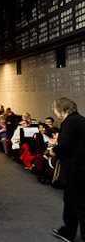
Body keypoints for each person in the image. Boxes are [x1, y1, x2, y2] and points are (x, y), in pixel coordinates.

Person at [49, 97, 85, 242]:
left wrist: (54, 151)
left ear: (62, 110)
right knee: (70, 199)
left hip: (76, 168)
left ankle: (76, 233)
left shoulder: (68, 122)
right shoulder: (82, 120)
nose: (55, 113)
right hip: (81, 166)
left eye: (55, 110)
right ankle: (68, 231)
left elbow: (66, 145)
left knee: (78, 203)